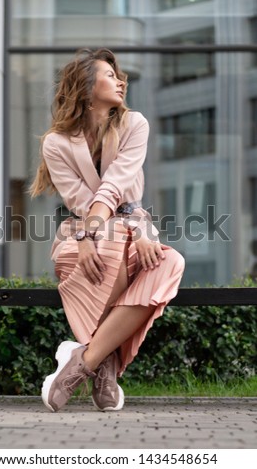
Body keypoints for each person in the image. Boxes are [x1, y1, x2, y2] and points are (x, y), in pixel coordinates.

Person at [30, 48, 185, 413]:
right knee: (114, 240)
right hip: (79, 240)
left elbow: (116, 185)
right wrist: (87, 237)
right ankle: (107, 364)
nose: (119, 81)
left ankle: (84, 360)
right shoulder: (56, 143)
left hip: (127, 230)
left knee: (170, 263)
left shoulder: (135, 124)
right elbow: (83, 202)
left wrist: (142, 232)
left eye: (119, 77)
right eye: (109, 75)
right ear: (85, 87)